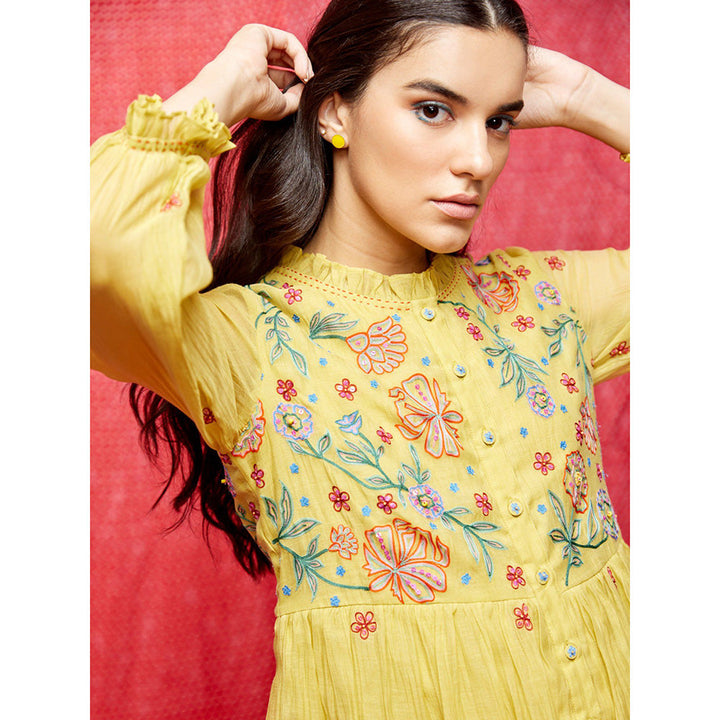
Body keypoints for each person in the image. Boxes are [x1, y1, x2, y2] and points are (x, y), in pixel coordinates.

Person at [91, 0, 629, 717]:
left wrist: (593, 99)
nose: (477, 160)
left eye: (498, 121)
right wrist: (218, 89)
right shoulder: (245, 342)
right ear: (334, 111)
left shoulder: (542, 304)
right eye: (434, 110)